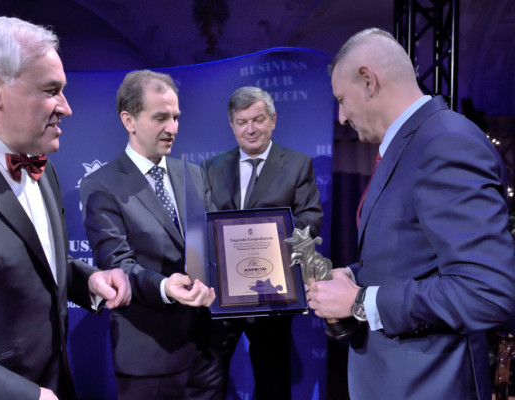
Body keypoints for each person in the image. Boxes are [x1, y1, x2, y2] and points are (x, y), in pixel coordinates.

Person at [0, 17, 131, 400]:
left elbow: (23, 257)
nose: (66, 108)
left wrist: (85, 281)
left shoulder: (43, 168)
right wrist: (25, 395)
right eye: (51, 90)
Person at [306, 28, 515, 399]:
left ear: (368, 81)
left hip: (428, 386)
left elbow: (487, 291)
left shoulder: (447, 143)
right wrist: (352, 276)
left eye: (341, 100)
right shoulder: (413, 143)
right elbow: (415, 257)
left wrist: (360, 302)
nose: (341, 117)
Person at [80, 69, 223, 399]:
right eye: (160, 117)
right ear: (129, 120)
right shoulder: (101, 185)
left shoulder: (193, 174)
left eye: (175, 117)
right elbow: (117, 266)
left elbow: (215, 242)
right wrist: (166, 287)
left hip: (207, 350)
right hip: (150, 356)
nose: (172, 128)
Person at [201, 86, 323, 400]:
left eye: (258, 120)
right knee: (209, 380)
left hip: (273, 292)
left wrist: (273, 243)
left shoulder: (297, 164)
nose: (250, 129)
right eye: (242, 122)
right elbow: (203, 223)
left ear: (273, 120)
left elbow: (310, 218)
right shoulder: (211, 167)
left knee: (273, 382)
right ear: (232, 125)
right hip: (223, 293)